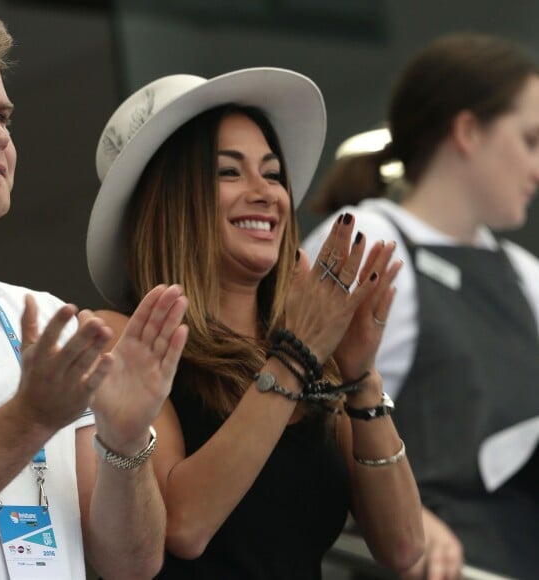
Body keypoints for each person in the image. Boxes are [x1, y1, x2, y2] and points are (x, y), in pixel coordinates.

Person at [86, 67, 424, 578]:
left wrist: (360, 376)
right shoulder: (120, 337)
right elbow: (184, 527)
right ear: (172, 200)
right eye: (229, 172)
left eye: (271, 172)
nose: (266, 192)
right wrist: (294, 357)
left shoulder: (310, 354)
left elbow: (402, 547)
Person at [0, 3, 189, 578]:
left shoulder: (42, 316)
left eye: (3, 116)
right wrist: (32, 417)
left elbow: (131, 564)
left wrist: (125, 439)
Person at [303, 33, 539, 580]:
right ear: (467, 131)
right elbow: (303, 414)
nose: (537, 167)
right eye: (529, 141)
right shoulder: (371, 239)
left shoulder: (524, 275)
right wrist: (404, 516)